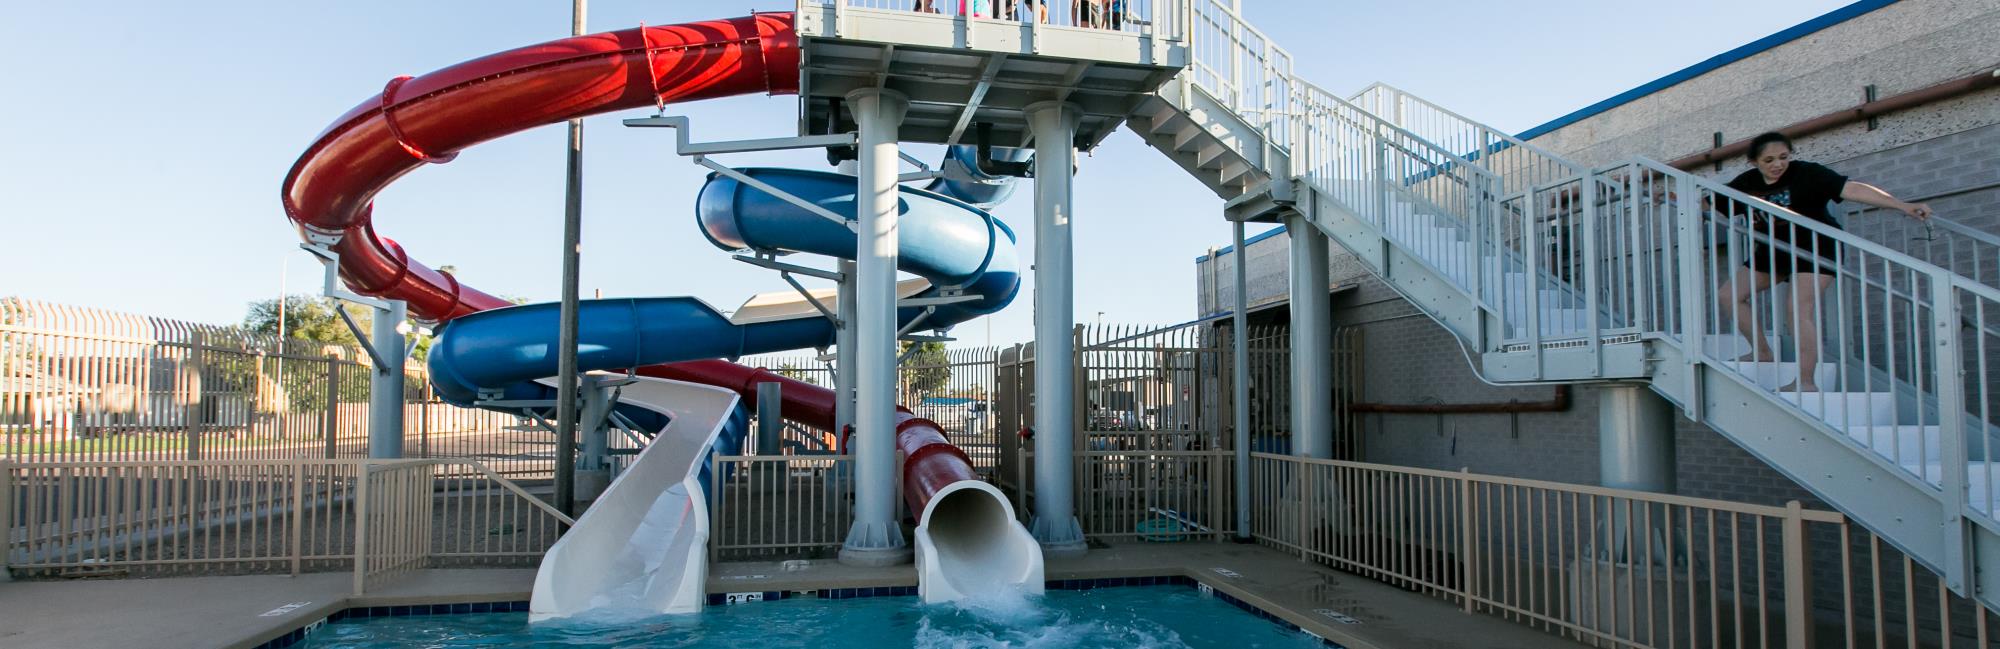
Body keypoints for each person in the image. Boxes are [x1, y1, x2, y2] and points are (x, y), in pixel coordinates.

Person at [1718, 132, 1933, 391]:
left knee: (1797, 309)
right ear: (1754, 162)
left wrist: (1902, 205)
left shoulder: (1807, 173)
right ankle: (1762, 351)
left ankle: (1806, 382)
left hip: (1816, 247)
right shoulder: (1747, 182)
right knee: (1729, 295)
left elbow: (1852, 189)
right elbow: (1710, 202)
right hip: (1774, 250)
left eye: (1784, 157)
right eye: (1769, 160)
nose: (1778, 165)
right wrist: (1674, 198)